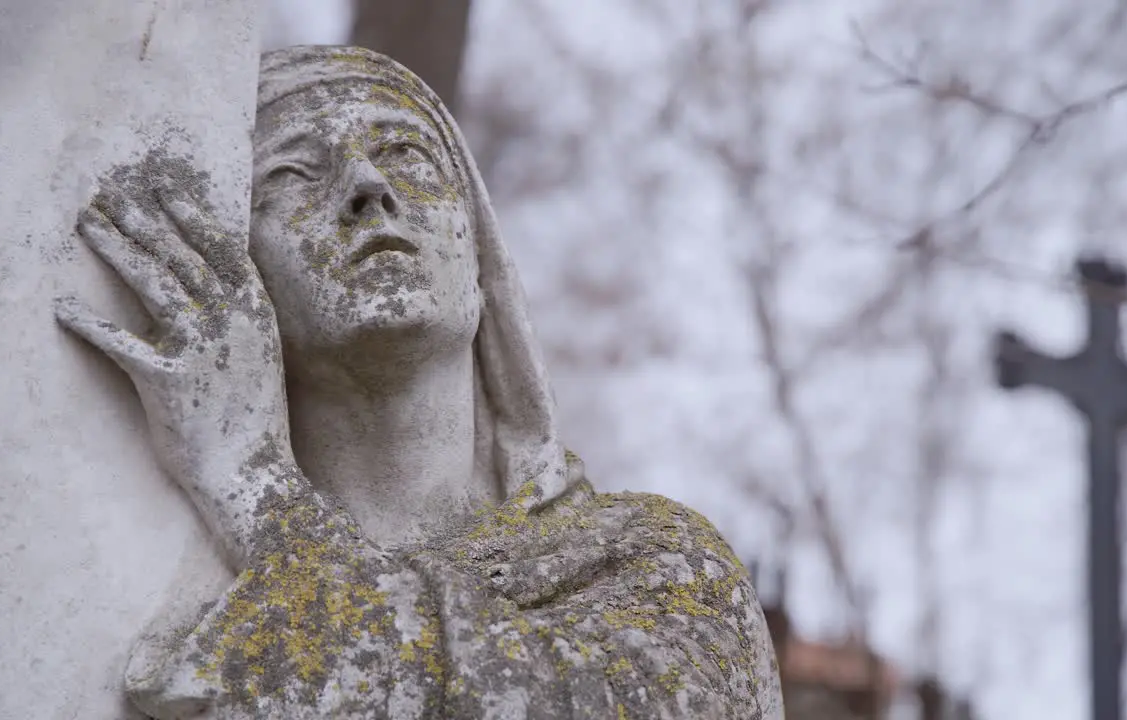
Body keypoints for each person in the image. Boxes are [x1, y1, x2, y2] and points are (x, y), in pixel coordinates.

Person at [55, 45, 782, 719]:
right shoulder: (142, 584)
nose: (368, 187)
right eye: (290, 175)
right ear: (238, 282)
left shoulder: (655, 563)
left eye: (408, 156)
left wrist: (254, 487)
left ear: (479, 252)